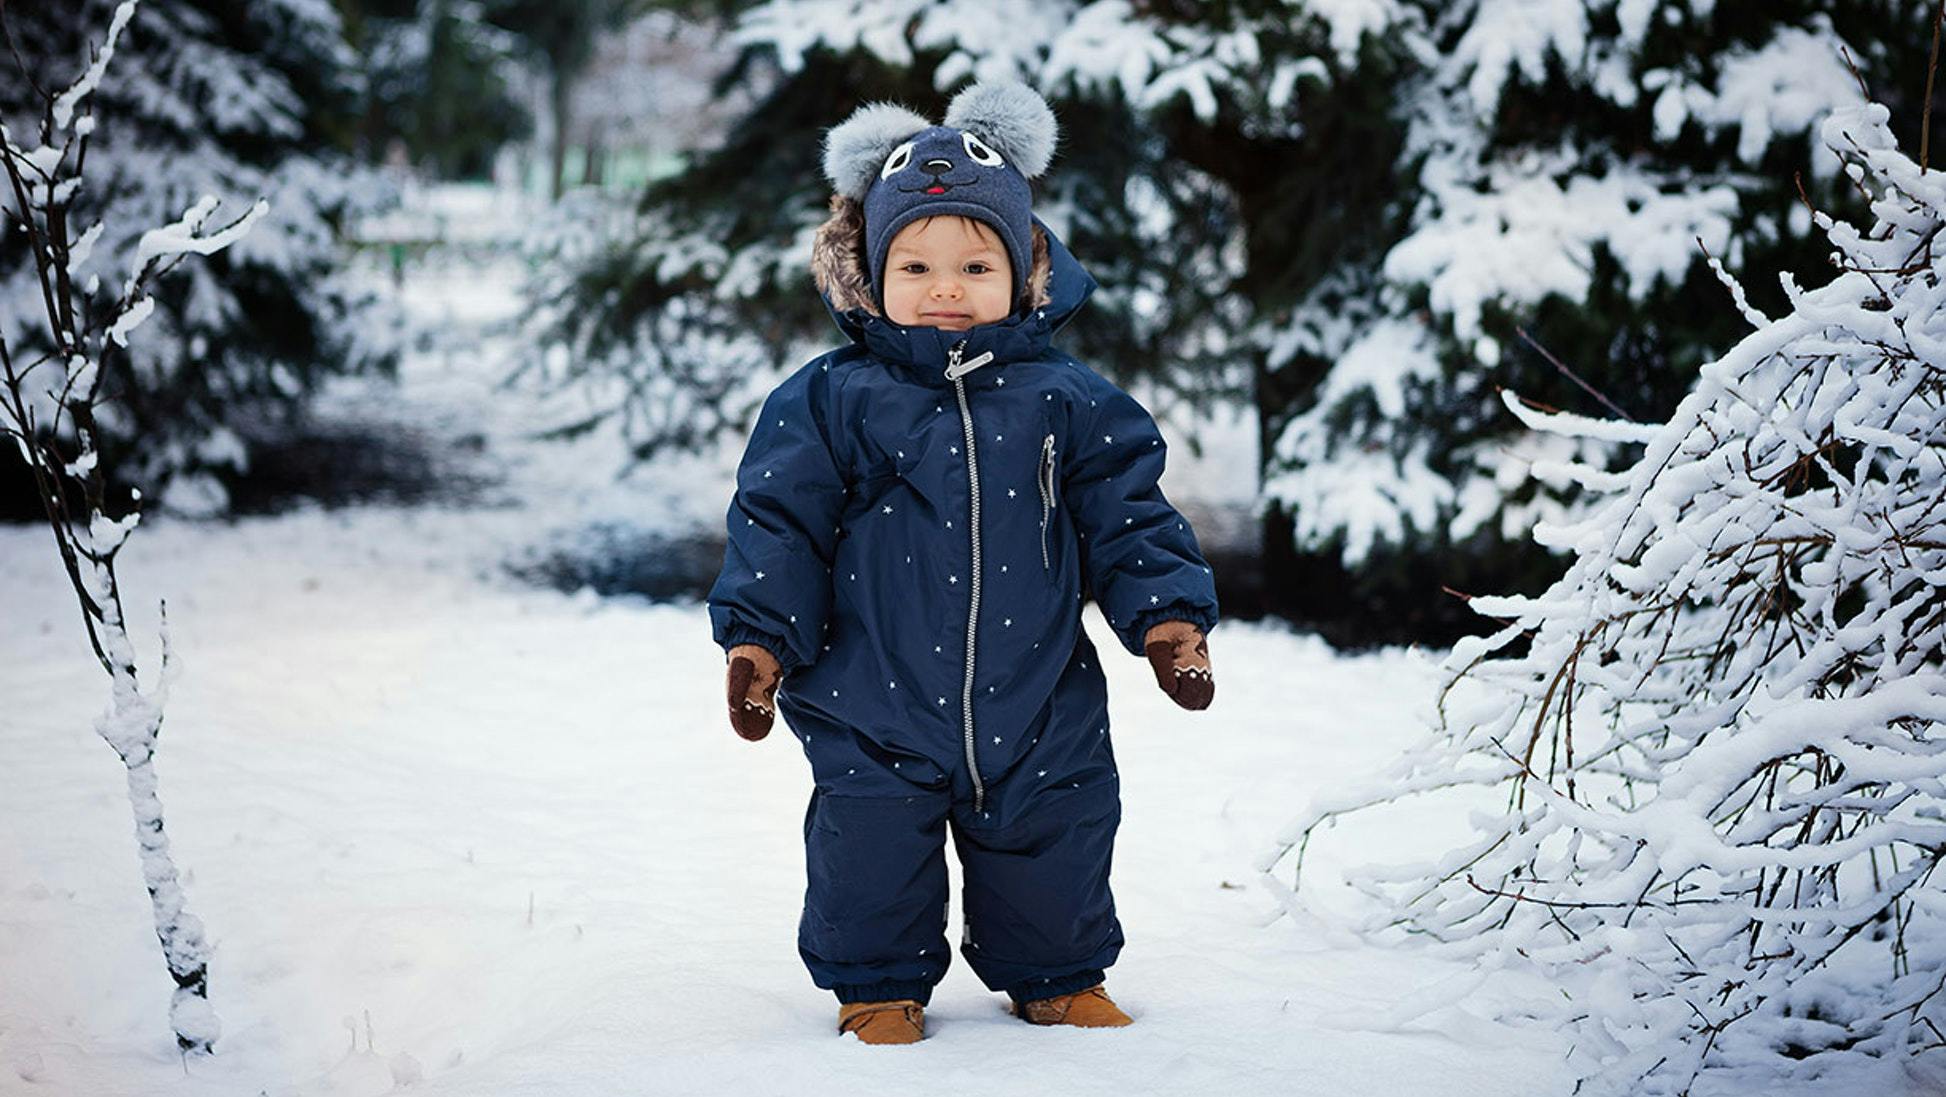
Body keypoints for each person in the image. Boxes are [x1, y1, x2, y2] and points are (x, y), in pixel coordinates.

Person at [706, 81, 1219, 1045]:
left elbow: (1128, 512)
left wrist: (1168, 621)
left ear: (1023, 272)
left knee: (1056, 834)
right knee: (869, 846)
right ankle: (876, 985)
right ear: (872, 273)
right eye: (918, 265)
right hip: (870, 695)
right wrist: (759, 647)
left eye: (976, 263)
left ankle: (1057, 975)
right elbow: (779, 524)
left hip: (1036, 696)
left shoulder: (1067, 399)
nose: (947, 287)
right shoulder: (830, 399)